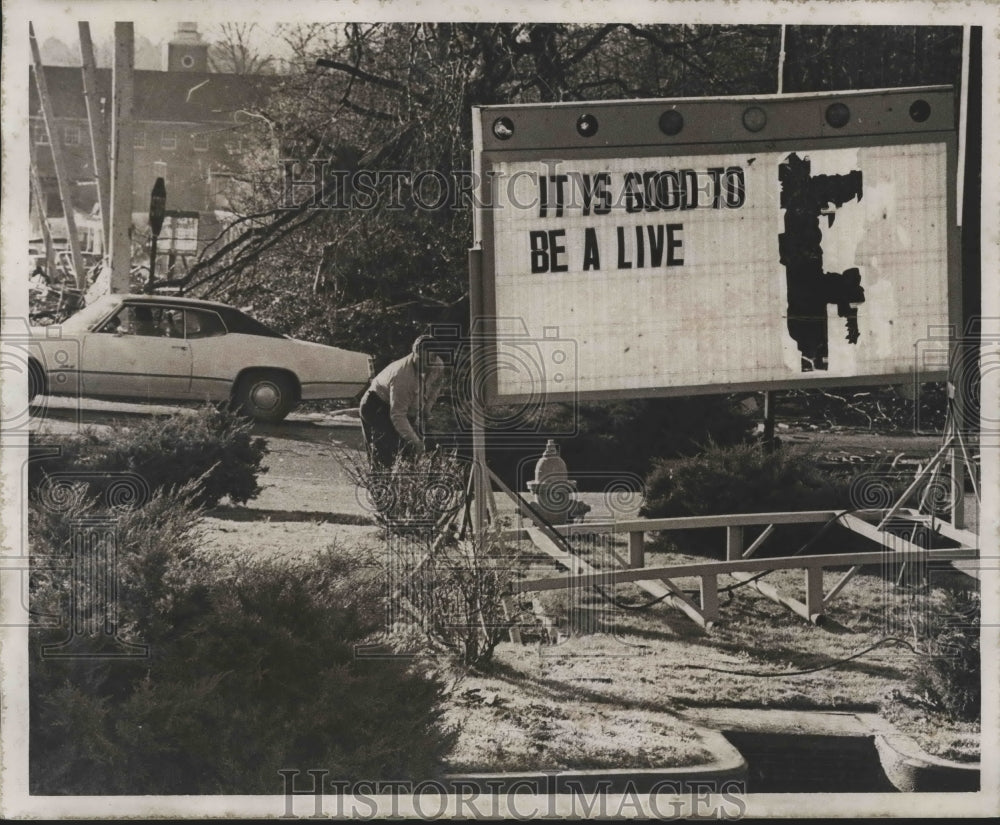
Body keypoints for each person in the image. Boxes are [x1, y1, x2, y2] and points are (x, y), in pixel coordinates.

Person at [359, 334, 445, 471]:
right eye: (421, 359)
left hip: (400, 406)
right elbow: (398, 414)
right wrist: (415, 441)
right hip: (376, 405)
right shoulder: (403, 376)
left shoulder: (438, 366)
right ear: (414, 353)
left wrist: (426, 408)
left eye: (430, 359)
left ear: (435, 357)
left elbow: (436, 386)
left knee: (410, 452)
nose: (425, 364)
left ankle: (406, 487)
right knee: (386, 452)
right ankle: (381, 489)